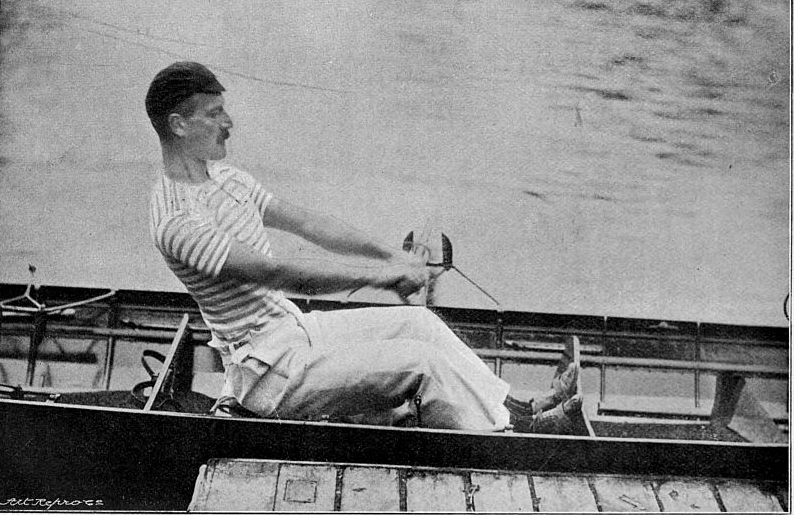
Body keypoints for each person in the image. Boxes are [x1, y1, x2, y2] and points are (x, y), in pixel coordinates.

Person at [146, 61, 582, 433]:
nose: (229, 123)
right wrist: (384, 277)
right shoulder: (177, 222)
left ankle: (521, 410)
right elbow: (279, 273)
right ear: (179, 125)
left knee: (420, 323)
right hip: (267, 374)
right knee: (421, 363)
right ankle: (516, 434)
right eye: (214, 114)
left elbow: (309, 224)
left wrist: (391, 257)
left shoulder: (226, 178)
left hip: (293, 332)